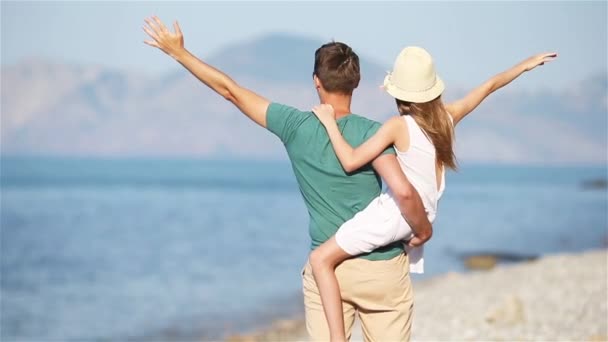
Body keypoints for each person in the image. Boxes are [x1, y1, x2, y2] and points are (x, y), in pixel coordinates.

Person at [142, 17, 432, 341]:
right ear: (357, 82)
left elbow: (231, 92)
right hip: (381, 268)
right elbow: (405, 192)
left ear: (316, 82)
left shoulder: (294, 125)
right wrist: (422, 231)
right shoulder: (374, 133)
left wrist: (180, 53)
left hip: (329, 271)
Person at [309, 46, 557, 341]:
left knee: (320, 260)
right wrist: (524, 65)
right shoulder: (446, 119)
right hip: (422, 214)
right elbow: (489, 86)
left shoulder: (398, 126)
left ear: (399, 93)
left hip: (398, 213)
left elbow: (350, 161)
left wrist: (328, 122)